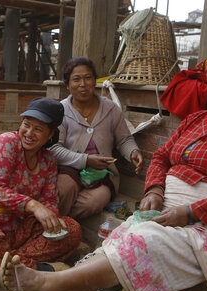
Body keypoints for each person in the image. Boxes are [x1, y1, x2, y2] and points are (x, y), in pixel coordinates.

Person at [0, 44, 207, 291]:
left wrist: (188, 213)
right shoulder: (196, 120)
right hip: (169, 211)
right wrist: (155, 191)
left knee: (141, 238)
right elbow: (161, 157)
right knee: (124, 234)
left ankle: (48, 283)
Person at [0, 97, 82, 274]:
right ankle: (25, 265)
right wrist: (34, 205)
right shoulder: (5, 143)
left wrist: (51, 222)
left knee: (71, 230)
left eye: (38, 129)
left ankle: (8, 262)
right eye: (27, 124)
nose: (29, 133)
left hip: (19, 227)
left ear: (50, 134)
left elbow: (49, 200)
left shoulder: (48, 160)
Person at [50, 57, 143, 219]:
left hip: (102, 173)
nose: (83, 84)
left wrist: (133, 152)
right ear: (68, 84)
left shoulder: (110, 109)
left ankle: (63, 222)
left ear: (95, 81)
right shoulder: (60, 111)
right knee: (63, 190)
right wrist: (85, 160)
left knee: (92, 203)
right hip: (68, 169)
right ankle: (54, 226)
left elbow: (124, 139)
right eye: (76, 79)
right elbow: (54, 149)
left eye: (88, 78)